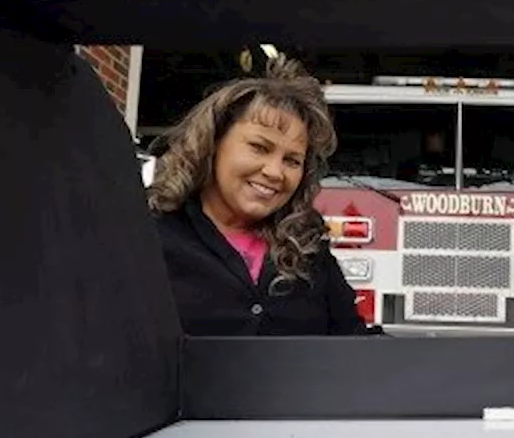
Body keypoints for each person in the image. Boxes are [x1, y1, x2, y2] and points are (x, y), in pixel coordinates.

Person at [147, 56, 373, 336]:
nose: (275, 172)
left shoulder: (308, 249)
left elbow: (355, 344)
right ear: (212, 143)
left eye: (292, 160)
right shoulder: (147, 237)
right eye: (259, 147)